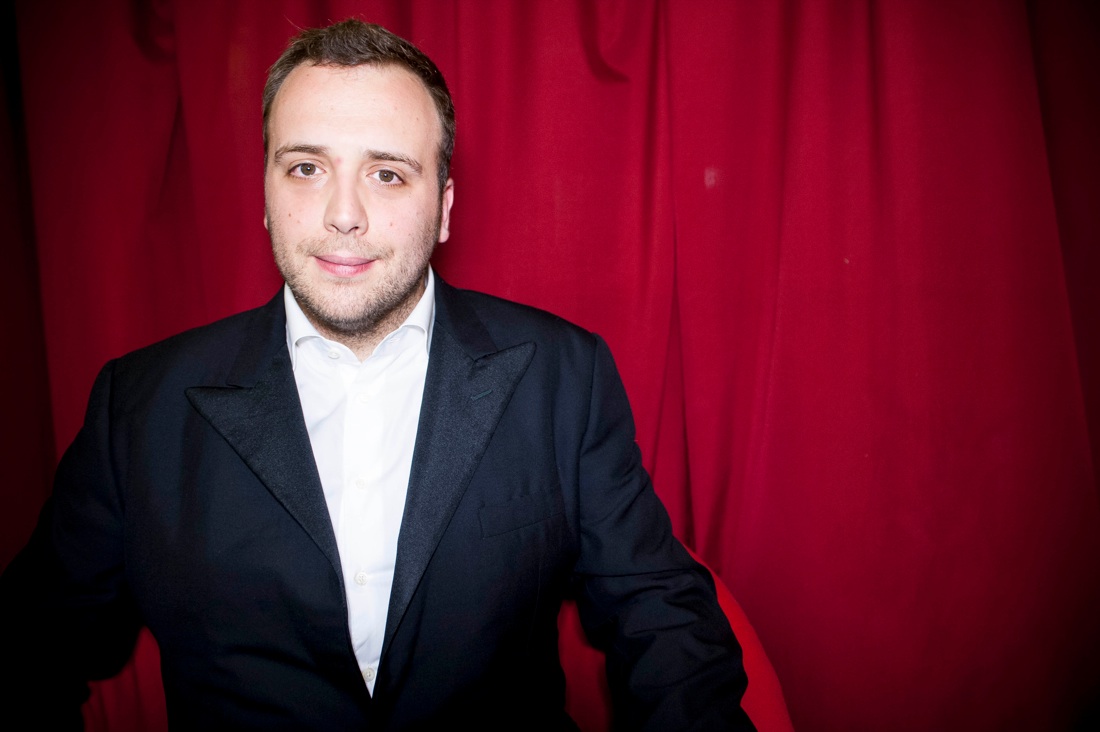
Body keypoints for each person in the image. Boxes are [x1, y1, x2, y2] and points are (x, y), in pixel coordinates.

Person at [1, 19, 753, 731]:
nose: (343, 214)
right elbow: (32, 646)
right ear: (265, 195)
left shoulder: (562, 376)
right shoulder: (139, 408)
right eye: (306, 168)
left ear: (444, 207)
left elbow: (663, 619)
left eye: (387, 175)